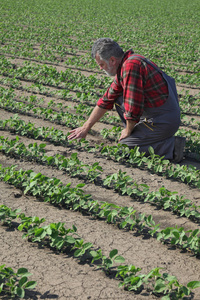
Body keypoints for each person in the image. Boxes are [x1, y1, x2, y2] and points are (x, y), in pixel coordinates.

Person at [68, 38, 185, 162]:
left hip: (163, 120)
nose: (101, 68)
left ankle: (172, 146)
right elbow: (106, 100)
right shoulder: (126, 65)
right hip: (156, 115)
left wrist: (128, 130)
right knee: (117, 97)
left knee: (124, 148)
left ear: (112, 60)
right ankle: (142, 135)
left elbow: (133, 104)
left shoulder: (131, 66)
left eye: (101, 64)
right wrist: (85, 128)